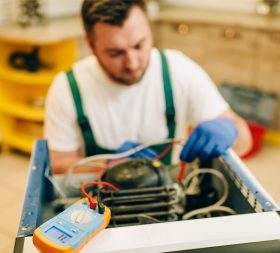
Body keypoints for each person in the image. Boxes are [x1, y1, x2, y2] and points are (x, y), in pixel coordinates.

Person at [44, 0, 252, 174]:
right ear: (91, 45)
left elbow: (245, 140)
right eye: (116, 53)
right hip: (101, 200)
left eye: (139, 45)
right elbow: (57, 163)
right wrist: (109, 166)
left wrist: (230, 131)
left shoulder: (179, 70)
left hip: (170, 195)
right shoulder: (67, 88)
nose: (132, 63)